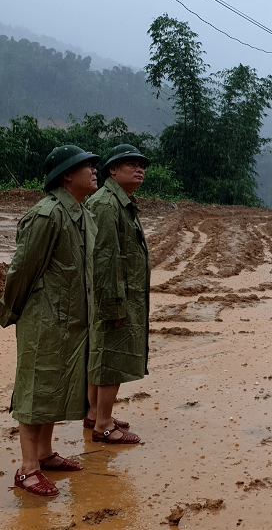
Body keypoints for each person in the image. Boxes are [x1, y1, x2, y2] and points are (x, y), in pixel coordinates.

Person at [0, 146, 99, 497]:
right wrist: (9, 311)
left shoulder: (82, 215)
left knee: (55, 385)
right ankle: (27, 469)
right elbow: (22, 269)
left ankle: (43, 453)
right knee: (35, 386)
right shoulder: (46, 215)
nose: (93, 170)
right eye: (85, 165)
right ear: (65, 175)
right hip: (44, 318)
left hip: (71, 318)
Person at [83, 144, 151, 444]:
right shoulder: (107, 205)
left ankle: (96, 414)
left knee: (103, 354)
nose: (140, 169)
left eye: (142, 165)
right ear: (112, 170)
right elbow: (105, 259)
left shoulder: (120, 202)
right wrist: (114, 305)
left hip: (122, 294)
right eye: (131, 164)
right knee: (112, 357)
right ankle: (104, 425)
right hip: (114, 297)